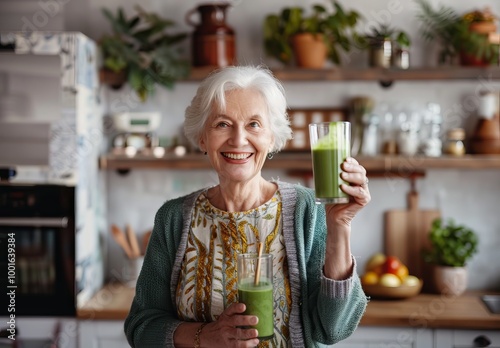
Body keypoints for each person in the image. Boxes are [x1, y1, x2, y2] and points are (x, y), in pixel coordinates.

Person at [124, 65, 371, 347]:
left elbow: (334, 329)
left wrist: (340, 226)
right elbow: (141, 328)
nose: (239, 140)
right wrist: (205, 335)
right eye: (222, 124)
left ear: (272, 138)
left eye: (254, 124)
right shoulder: (173, 218)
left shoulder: (307, 210)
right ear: (202, 137)